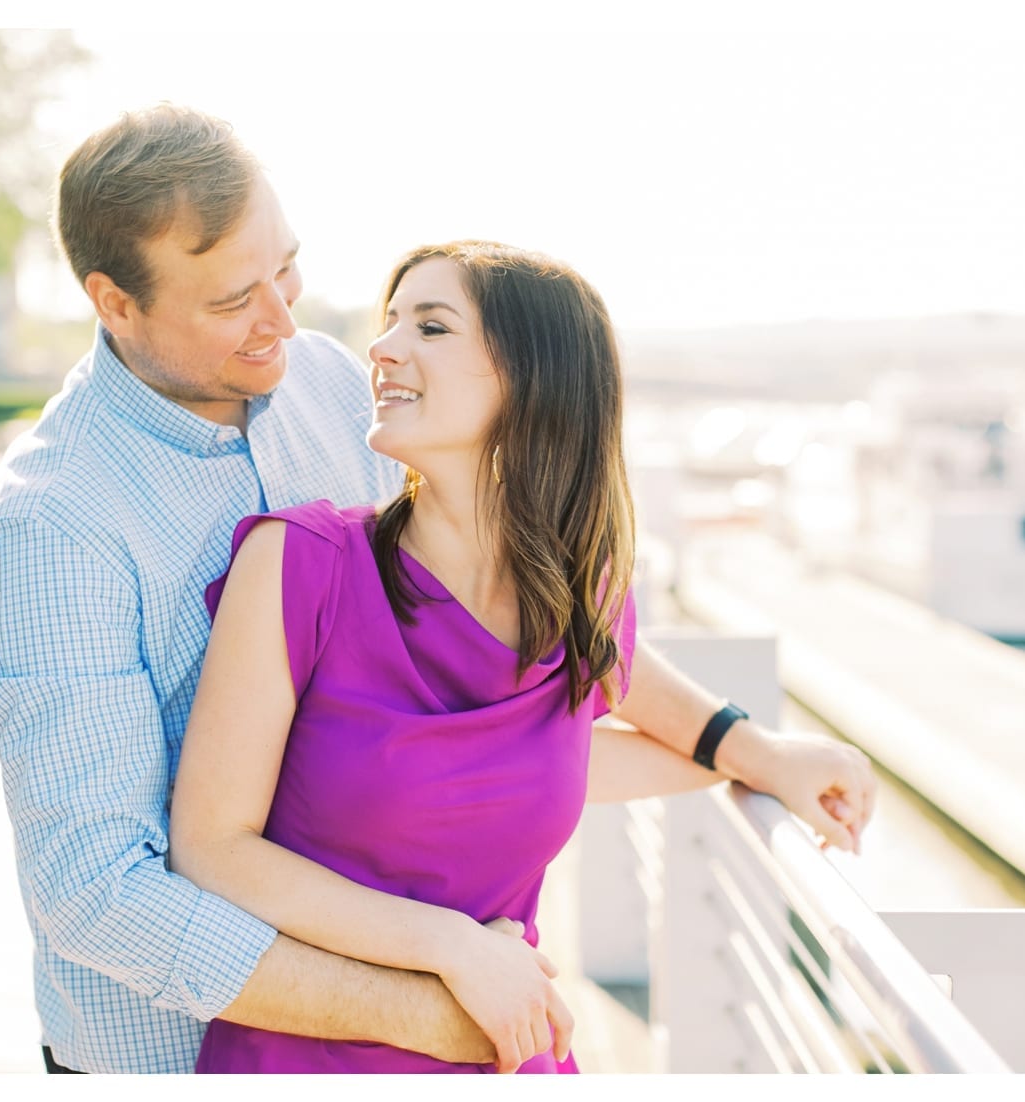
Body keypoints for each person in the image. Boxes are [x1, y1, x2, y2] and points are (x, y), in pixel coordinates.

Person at [0, 104, 876, 1075]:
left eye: (287, 268)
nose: (283, 318)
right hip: (177, 1054)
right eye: (234, 298)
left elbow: (510, 640)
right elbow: (96, 893)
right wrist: (422, 1009)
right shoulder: (55, 529)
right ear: (115, 303)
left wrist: (745, 747)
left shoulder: (320, 384)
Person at [167, 241, 875, 1074]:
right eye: (390, 322)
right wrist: (455, 948)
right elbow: (212, 848)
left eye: (430, 326)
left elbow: (565, 743)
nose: (384, 348)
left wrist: (761, 757)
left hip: (510, 1056)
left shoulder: (581, 595)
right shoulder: (300, 563)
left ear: (529, 378)